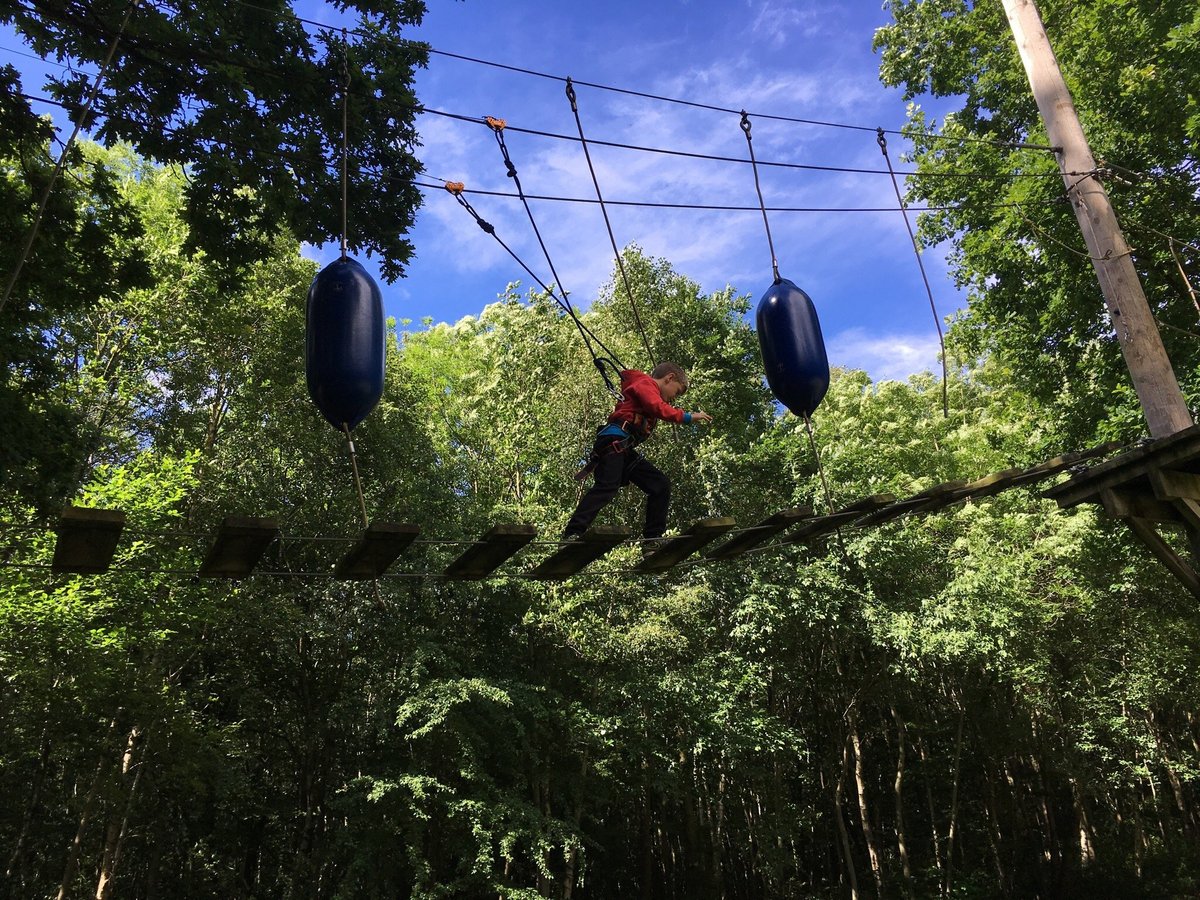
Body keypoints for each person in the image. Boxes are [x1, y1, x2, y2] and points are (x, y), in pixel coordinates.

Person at [563, 362, 713, 553]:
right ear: (669, 378)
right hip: (614, 442)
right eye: (675, 392)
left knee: (660, 485)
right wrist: (689, 417)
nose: (673, 399)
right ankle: (572, 533)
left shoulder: (646, 388)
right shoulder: (645, 383)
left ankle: (652, 540)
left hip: (623, 448)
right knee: (607, 486)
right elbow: (657, 407)